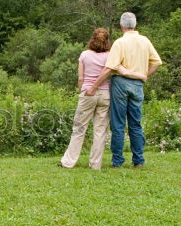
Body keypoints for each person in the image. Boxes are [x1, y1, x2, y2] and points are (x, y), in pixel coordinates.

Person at [60, 28, 147, 170]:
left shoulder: (84, 55)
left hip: (88, 94)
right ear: (107, 41)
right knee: (100, 130)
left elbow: (81, 78)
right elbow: (119, 71)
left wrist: (83, 91)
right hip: (106, 94)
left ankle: (68, 162)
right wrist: (141, 76)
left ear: (92, 39)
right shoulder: (110, 56)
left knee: (79, 128)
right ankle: (95, 164)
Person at [87, 12, 161, 168]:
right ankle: (138, 160)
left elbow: (110, 68)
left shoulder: (120, 43)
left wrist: (94, 86)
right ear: (135, 25)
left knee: (118, 123)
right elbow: (156, 62)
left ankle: (118, 161)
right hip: (138, 84)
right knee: (136, 123)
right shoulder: (145, 41)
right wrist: (143, 75)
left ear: (121, 26)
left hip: (120, 84)